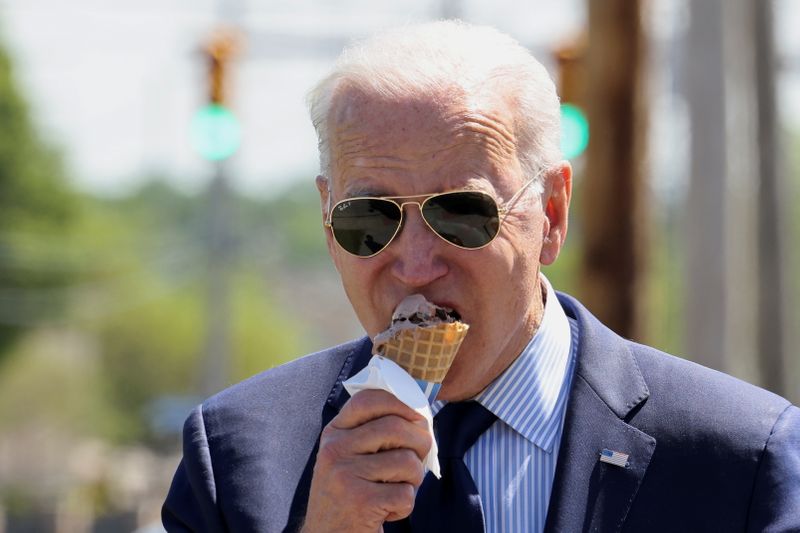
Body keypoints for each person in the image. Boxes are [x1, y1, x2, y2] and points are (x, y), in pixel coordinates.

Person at [162, 21, 800, 532]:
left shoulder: (739, 460)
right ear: (328, 223)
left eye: (461, 213)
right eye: (369, 220)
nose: (414, 264)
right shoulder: (237, 461)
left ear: (550, 214)